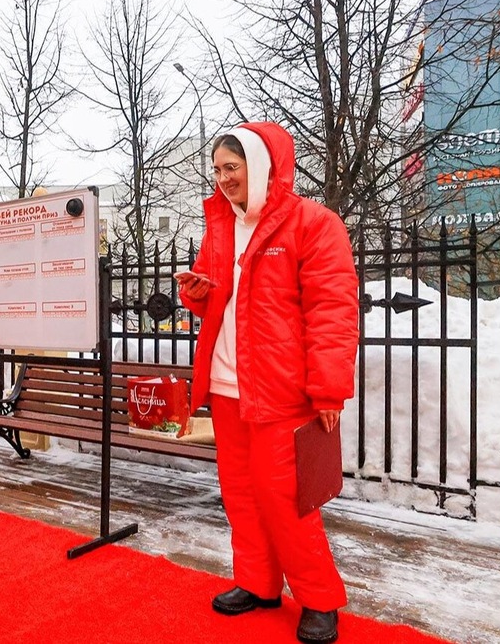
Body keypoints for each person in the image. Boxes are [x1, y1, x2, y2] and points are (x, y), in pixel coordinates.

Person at [176, 122, 359, 644]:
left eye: (231, 168)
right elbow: (219, 297)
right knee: (241, 495)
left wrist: (328, 391)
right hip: (228, 387)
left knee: (286, 500)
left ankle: (320, 599)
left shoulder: (313, 224)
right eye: (216, 170)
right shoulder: (221, 225)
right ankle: (258, 584)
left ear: (260, 167)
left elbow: (333, 312)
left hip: (283, 393)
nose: (222, 178)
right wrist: (196, 292)